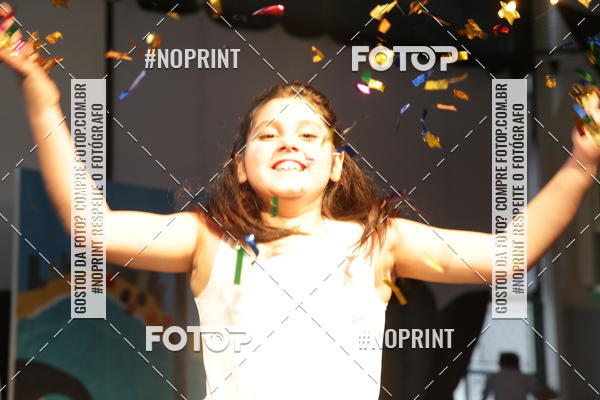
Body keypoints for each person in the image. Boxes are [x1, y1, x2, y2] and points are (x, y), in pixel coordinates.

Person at [1, 3, 599, 398]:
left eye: (310, 135)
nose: (290, 142)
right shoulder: (209, 238)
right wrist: (42, 98)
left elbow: (508, 254)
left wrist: (582, 163)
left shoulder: (377, 240)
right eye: (269, 134)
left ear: (336, 165)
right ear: (241, 166)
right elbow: (92, 226)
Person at [481, 352, 556, 400]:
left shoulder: (494, 377)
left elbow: (485, 395)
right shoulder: (524, 378)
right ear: (517, 363)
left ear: (500, 363)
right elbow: (538, 393)